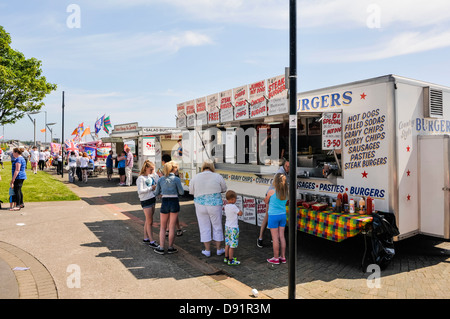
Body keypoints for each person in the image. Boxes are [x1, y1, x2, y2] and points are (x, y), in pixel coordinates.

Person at [189, 160, 227, 257]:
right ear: (212, 167)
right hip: (215, 204)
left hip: (200, 204)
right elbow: (224, 189)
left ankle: (207, 250)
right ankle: (219, 249)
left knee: (204, 226)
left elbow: (191, 191)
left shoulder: (196, 177)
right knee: (217, 226)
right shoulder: (218, 176)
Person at [153, 161, 184, 255]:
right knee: (171, 227)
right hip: (174, 201)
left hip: (165, 201)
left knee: (162, 227)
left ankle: (161, 247)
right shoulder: (176, 179)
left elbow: (156, 193)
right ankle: (170, 247)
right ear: (173, 169)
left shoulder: (161, 179)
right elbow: (182, 192)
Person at [257, 158, 289, 248]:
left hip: (278, 196)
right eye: (286, 166)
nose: (288, 168)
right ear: (284, 165)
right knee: (267, 216)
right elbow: (275, 187)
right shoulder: (280, 173)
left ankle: (274, 237)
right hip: (273, 195)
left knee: (274, 216)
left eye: (289, 166)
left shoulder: (287, 172)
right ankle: (260, 238)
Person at [264, 173, 288, 265]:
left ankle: (276, 258)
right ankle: (283, 257)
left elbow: (266, 201)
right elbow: (286, 203)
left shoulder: (271, 191)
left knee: (275, 238)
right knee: (282, 236)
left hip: (273, 216)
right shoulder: (286, 192)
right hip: (283, 215)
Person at [136, 160, 159, 248]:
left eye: (153, 169)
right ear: (145, 168)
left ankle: (146, 238)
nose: (152, 171)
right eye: (151, 169)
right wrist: (151, 188)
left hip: (152, 199)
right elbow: (140, 191)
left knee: (148, 220)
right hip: (145, 200)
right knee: (150, 221)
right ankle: (151, 240)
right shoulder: (141, 178)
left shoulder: (150, 176)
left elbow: (157, 180)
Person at [223, 190, 243, 265]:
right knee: (232, 245)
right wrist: (240, 211)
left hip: (227, 226)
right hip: (233, 228)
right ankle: (231, 260)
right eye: (235, 199)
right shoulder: (234, 207)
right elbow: (240, 213)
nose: (236, 200)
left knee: (227, 243)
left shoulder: (226, 206)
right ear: (232, 199)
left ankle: (226, 257)